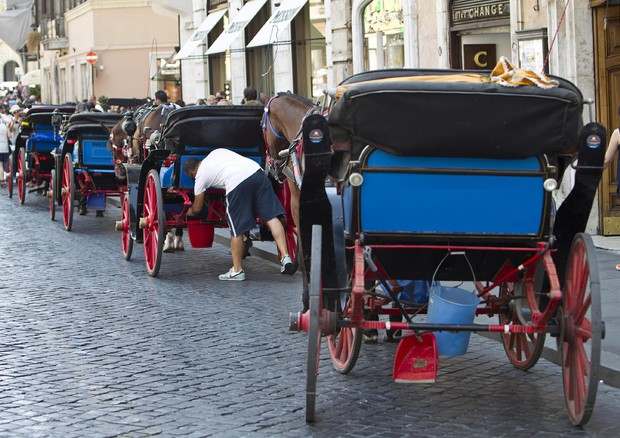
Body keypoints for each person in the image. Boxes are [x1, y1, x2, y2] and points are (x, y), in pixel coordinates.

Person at [184, 149, 295, 280]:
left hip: (237, 182)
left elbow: (197, 208)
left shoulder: (200, 176)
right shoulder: (216, 152)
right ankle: (285, 257)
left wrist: (189, 211)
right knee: (271, 217)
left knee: (236, 229)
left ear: (192, 173)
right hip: (257, 172)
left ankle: (237, 270)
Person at [0, 107, 11, 186]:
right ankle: (7, 176)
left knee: (0, 165)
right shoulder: (4, 125)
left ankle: (2, 180)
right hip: (5, 148)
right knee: (5, 164)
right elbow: (9, 136)